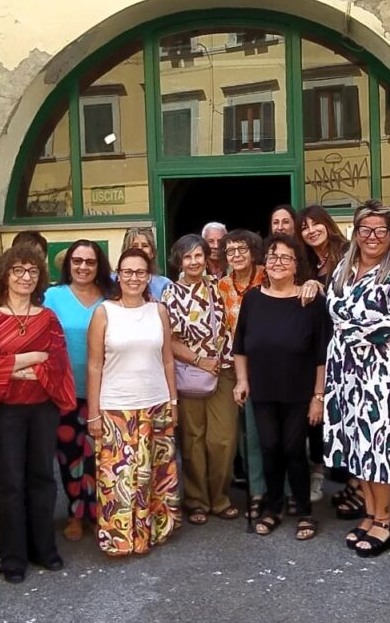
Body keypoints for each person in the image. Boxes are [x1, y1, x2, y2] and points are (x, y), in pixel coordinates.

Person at [0, 245, 77, 584]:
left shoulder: (48, 318)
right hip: (6, 412)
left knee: (42, 478)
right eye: (18, 270)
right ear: (5, 274)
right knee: (10, 482)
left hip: (42, 409)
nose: (25, 277)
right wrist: (32, 357)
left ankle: (44, 549)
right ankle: (13, 557)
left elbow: (57, 361)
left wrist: (11, 366)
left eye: (32, 271)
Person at [324, 200, 390, 557]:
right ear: (356, 232)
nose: (372, 237)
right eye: (365, 230)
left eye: (380, 230)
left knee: (377, 447)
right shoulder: (344, 269)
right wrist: (358, 323)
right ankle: (369, 513)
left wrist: (355, 329)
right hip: (344, 373)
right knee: (356, 445)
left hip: (381, 377)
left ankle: (385, 521)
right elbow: (332, 307)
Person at [233, 235, 329, 540]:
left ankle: (304, 512)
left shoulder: (311, 302)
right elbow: (240, 346)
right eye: (273, 257)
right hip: (262, 391)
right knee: (269, 448)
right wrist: (242, 381)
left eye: (286, 258)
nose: (278, 263)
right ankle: (273, 509)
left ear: (296, 265)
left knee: (294, 450)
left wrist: (318, 396)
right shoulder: (253, 299)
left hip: (299, 393)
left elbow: (322, 355)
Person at [86, 248, 180, 555]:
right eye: (127, 272)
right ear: (118, 275)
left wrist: (173, 401)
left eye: (140, 272)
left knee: (153, 473)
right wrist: (93, 413)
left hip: (156, 404)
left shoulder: (159, 311)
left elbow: (168, 360)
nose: (134, 278)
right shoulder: (104, 313)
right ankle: (121, 540)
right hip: (116, 407)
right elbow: (94, 365)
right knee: (119, 478)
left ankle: (151, 533)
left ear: (149, 276)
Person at [162, 234, 240, 524]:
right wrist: (198, 360)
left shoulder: (220, 287)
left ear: (207, 258)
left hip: (223, 371)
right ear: (178, 261)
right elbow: (168, 340)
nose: (194, 262)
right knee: (192, 439)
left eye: (198, 255)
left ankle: (220, 497)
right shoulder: (170, 294)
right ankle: (196, 501)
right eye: (187, 257)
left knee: (223, 439)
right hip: (189, 372)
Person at [43, 240, 116, 542]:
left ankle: (98, 513)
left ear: (99, 266)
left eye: (90, 261)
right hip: (65, 391)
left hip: (106, 390)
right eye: (77, 261)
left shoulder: (111, 297)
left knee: (99, 455)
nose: (83, 267)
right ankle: (75, 513)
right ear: (68, 264)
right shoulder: (52, 296)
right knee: (70, 455)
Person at [297, 205, 349, 506]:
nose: (311, 231)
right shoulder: (305, 263)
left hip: (346, 347)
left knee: (347, 412)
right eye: (304, 227)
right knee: (317, 411)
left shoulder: (349, 254)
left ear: (328, 224)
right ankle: (318, 470)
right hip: (316, 346)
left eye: (315, 224)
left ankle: (355, 482)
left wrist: (321, 288)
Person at [215, 230, 266, 520]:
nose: (236, 255)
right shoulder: (221, 286)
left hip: (268, 364)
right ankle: (255, 489)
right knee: (246, 433)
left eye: (241, 249)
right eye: (230, 250)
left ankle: (281, 490)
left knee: (271, 431)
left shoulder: (268, 276)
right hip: (234, 366)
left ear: (253, 251)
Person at [121, 227, 172, 300]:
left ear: (152, 252)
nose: (140, 249)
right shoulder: (112, 282)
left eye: (145, 246)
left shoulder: (165, 284)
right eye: (134, 246)